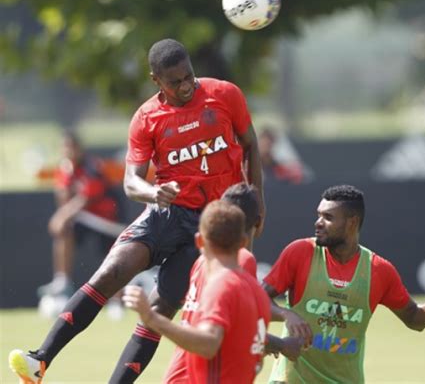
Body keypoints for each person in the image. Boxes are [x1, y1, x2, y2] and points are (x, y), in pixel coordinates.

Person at [8, 38, 264, 384]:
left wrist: (257, 199)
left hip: (208, 225)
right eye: (175, 81)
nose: (186, 85)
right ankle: (40, 361)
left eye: (189, 76)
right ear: (156, 80)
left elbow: (250, 144)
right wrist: (154, 192)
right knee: (109, 273)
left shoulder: (225, 94)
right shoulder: (146, 118)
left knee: (157, 312)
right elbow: (132, 182)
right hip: (166, 213)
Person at [262, 184, 425, 384]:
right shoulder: (300, 252)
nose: (318, 222)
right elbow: (258, 298)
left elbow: (416, 320)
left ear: (352, 222)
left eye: (328, 217)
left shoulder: (379, 270)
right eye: (319, 215)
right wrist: (287, 314)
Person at [163, 182, 302, 384]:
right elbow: (235, 331)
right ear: (258, 221)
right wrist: (283, 344)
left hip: (180, 372)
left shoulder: (203, 260)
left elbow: (226, 317)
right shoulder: (241, 260)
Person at [123, 199, 271, 383]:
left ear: (200, 241)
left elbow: (209, 344)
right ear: (243, 241)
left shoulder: (220, 284)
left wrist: (152, 318)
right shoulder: (256, 291)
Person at [37, 129, 125, 318]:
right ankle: (62, 280)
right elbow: (63, 198)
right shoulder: (64, 169)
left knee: (113, 258)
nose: (68, 151)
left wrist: (62, 215)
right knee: (65, 231)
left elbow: (87, 197)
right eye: (65, 148)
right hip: (84, 219)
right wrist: (63, 207)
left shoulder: (92, 166)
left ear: (79, 148)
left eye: (71, 147)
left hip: (106, 219)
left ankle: (116, 301)